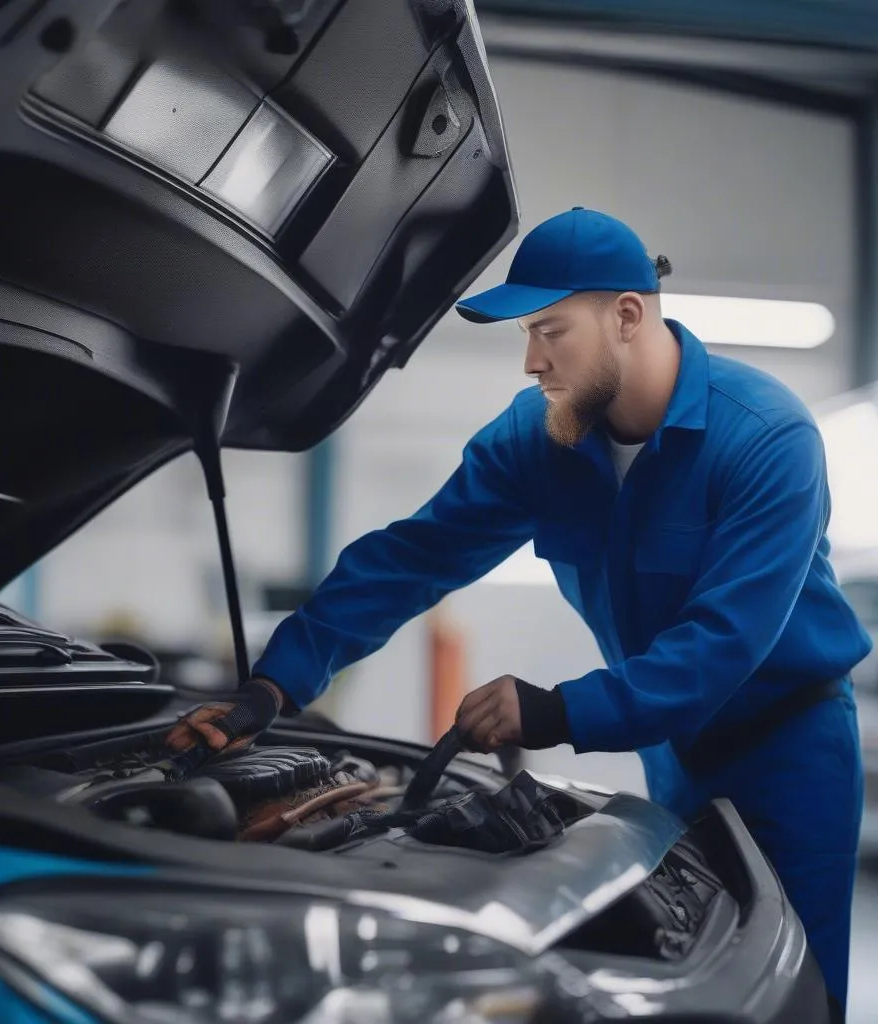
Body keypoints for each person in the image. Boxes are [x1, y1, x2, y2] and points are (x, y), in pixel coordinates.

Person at [166, 207, 869, 1017]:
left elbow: (722, 645)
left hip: (791, 748)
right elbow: (411, 558)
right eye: (526, 336)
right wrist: (275, 686)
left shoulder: (766, 439)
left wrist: (551, 709)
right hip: (672, 749)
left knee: (797, 991)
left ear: (628, 316)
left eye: (550, 331)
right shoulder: (538, 442)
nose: (532, 361)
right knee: (692, 983)